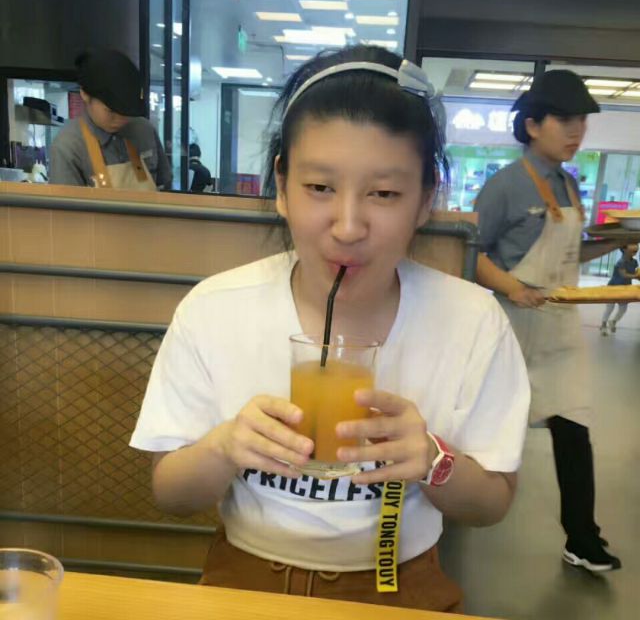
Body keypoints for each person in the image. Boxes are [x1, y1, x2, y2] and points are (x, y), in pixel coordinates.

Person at [130, 45, 530, 612]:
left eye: (384, 194)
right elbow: (168, 492)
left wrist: (433, 461)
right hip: (246, 574)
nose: (347, 227)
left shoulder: (472, 322)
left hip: (396, 581)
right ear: (282, 187)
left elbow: (492, 504)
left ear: (425, 201)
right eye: (320, 187)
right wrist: (225, 446)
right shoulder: (214, 309)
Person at [474, 70, 624, 572]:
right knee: (478, 424)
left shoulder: (569, 184)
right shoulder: (505, 185)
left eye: (581, 120)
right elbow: (469, 254)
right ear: (533, 124)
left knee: (574, 430)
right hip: (511, 328)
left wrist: (621, 242)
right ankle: (446, 509)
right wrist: (513, 287)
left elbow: (571, 253)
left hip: (560, 330)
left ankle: (582, 538)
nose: (577, 130)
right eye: (564, 119)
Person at [50, 49, 171, 190]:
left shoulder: (144, 130)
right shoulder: (68, 147)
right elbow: (67, 204)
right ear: (85, 94)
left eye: (126, 111)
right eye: (111, 111)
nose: (120, 119)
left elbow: (165, 187)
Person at [600, 243, 639, 335]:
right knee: (610, 307)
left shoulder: (634, 262)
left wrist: (638, 276)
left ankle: (613, 322)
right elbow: (624, 275)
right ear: (624, 250)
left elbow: (635, 272)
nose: (635, 251)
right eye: (632, 250)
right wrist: (636, 276)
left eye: (636, 250)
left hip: (626, 288)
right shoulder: (620, 262)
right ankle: (603, 325)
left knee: (623, 309)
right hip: (614, 287)